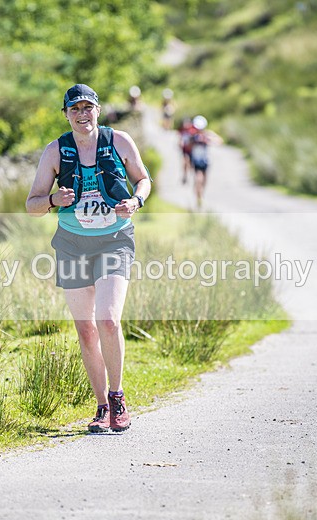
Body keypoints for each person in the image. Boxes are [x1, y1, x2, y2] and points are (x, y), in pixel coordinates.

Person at [26, 83, 152, 433]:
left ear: (98, 110)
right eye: (75, 109)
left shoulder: (119, 141)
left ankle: (117, 397)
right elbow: (32, 204)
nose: (82, 114)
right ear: (66, 114)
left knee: (108, 320)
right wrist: (53, 200)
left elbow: (143, 180)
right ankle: (101, 407)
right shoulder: (56, 151)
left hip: (114, 240)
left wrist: (136, 201)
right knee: (86, 330)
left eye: (87, 107)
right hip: (72, 244)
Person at [188, 115, 223, 208]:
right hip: (196, 161)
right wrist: (195, 141)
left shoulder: (207, 134)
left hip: (205, 161)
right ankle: (198, 197)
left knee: (204, 180)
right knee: (199, 178)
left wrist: (208, 140)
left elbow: (220, 141)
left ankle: (200, 193)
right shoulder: (193, 136)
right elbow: (188, 146)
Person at [177, 116, 197, 185]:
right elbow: (180, 139)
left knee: (191, 164)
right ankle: (185, 175)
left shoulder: (192, 131)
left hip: (192, 150)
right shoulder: (182, 131)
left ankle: (192, 176)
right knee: (185, 161)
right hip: (185, 150)